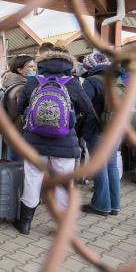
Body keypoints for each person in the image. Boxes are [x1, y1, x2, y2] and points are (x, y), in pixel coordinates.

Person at [14, 48, 94, 235]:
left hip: (34, 142)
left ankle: (25, 224)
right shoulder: (73, 83)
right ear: (68, 66)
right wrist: (70, 119)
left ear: (41, 65)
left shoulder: (33, 81)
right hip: (65, 143)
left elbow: (20, 108)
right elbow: (88, 109)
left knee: (32, 179)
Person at [79, 52, 122, 216]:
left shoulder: (91, 81)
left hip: (98, 129)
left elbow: (83, 104)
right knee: (112, 166)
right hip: (116, 128)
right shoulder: (117, 77)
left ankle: (101, 205)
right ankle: (114, 205)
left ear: (90, 67)